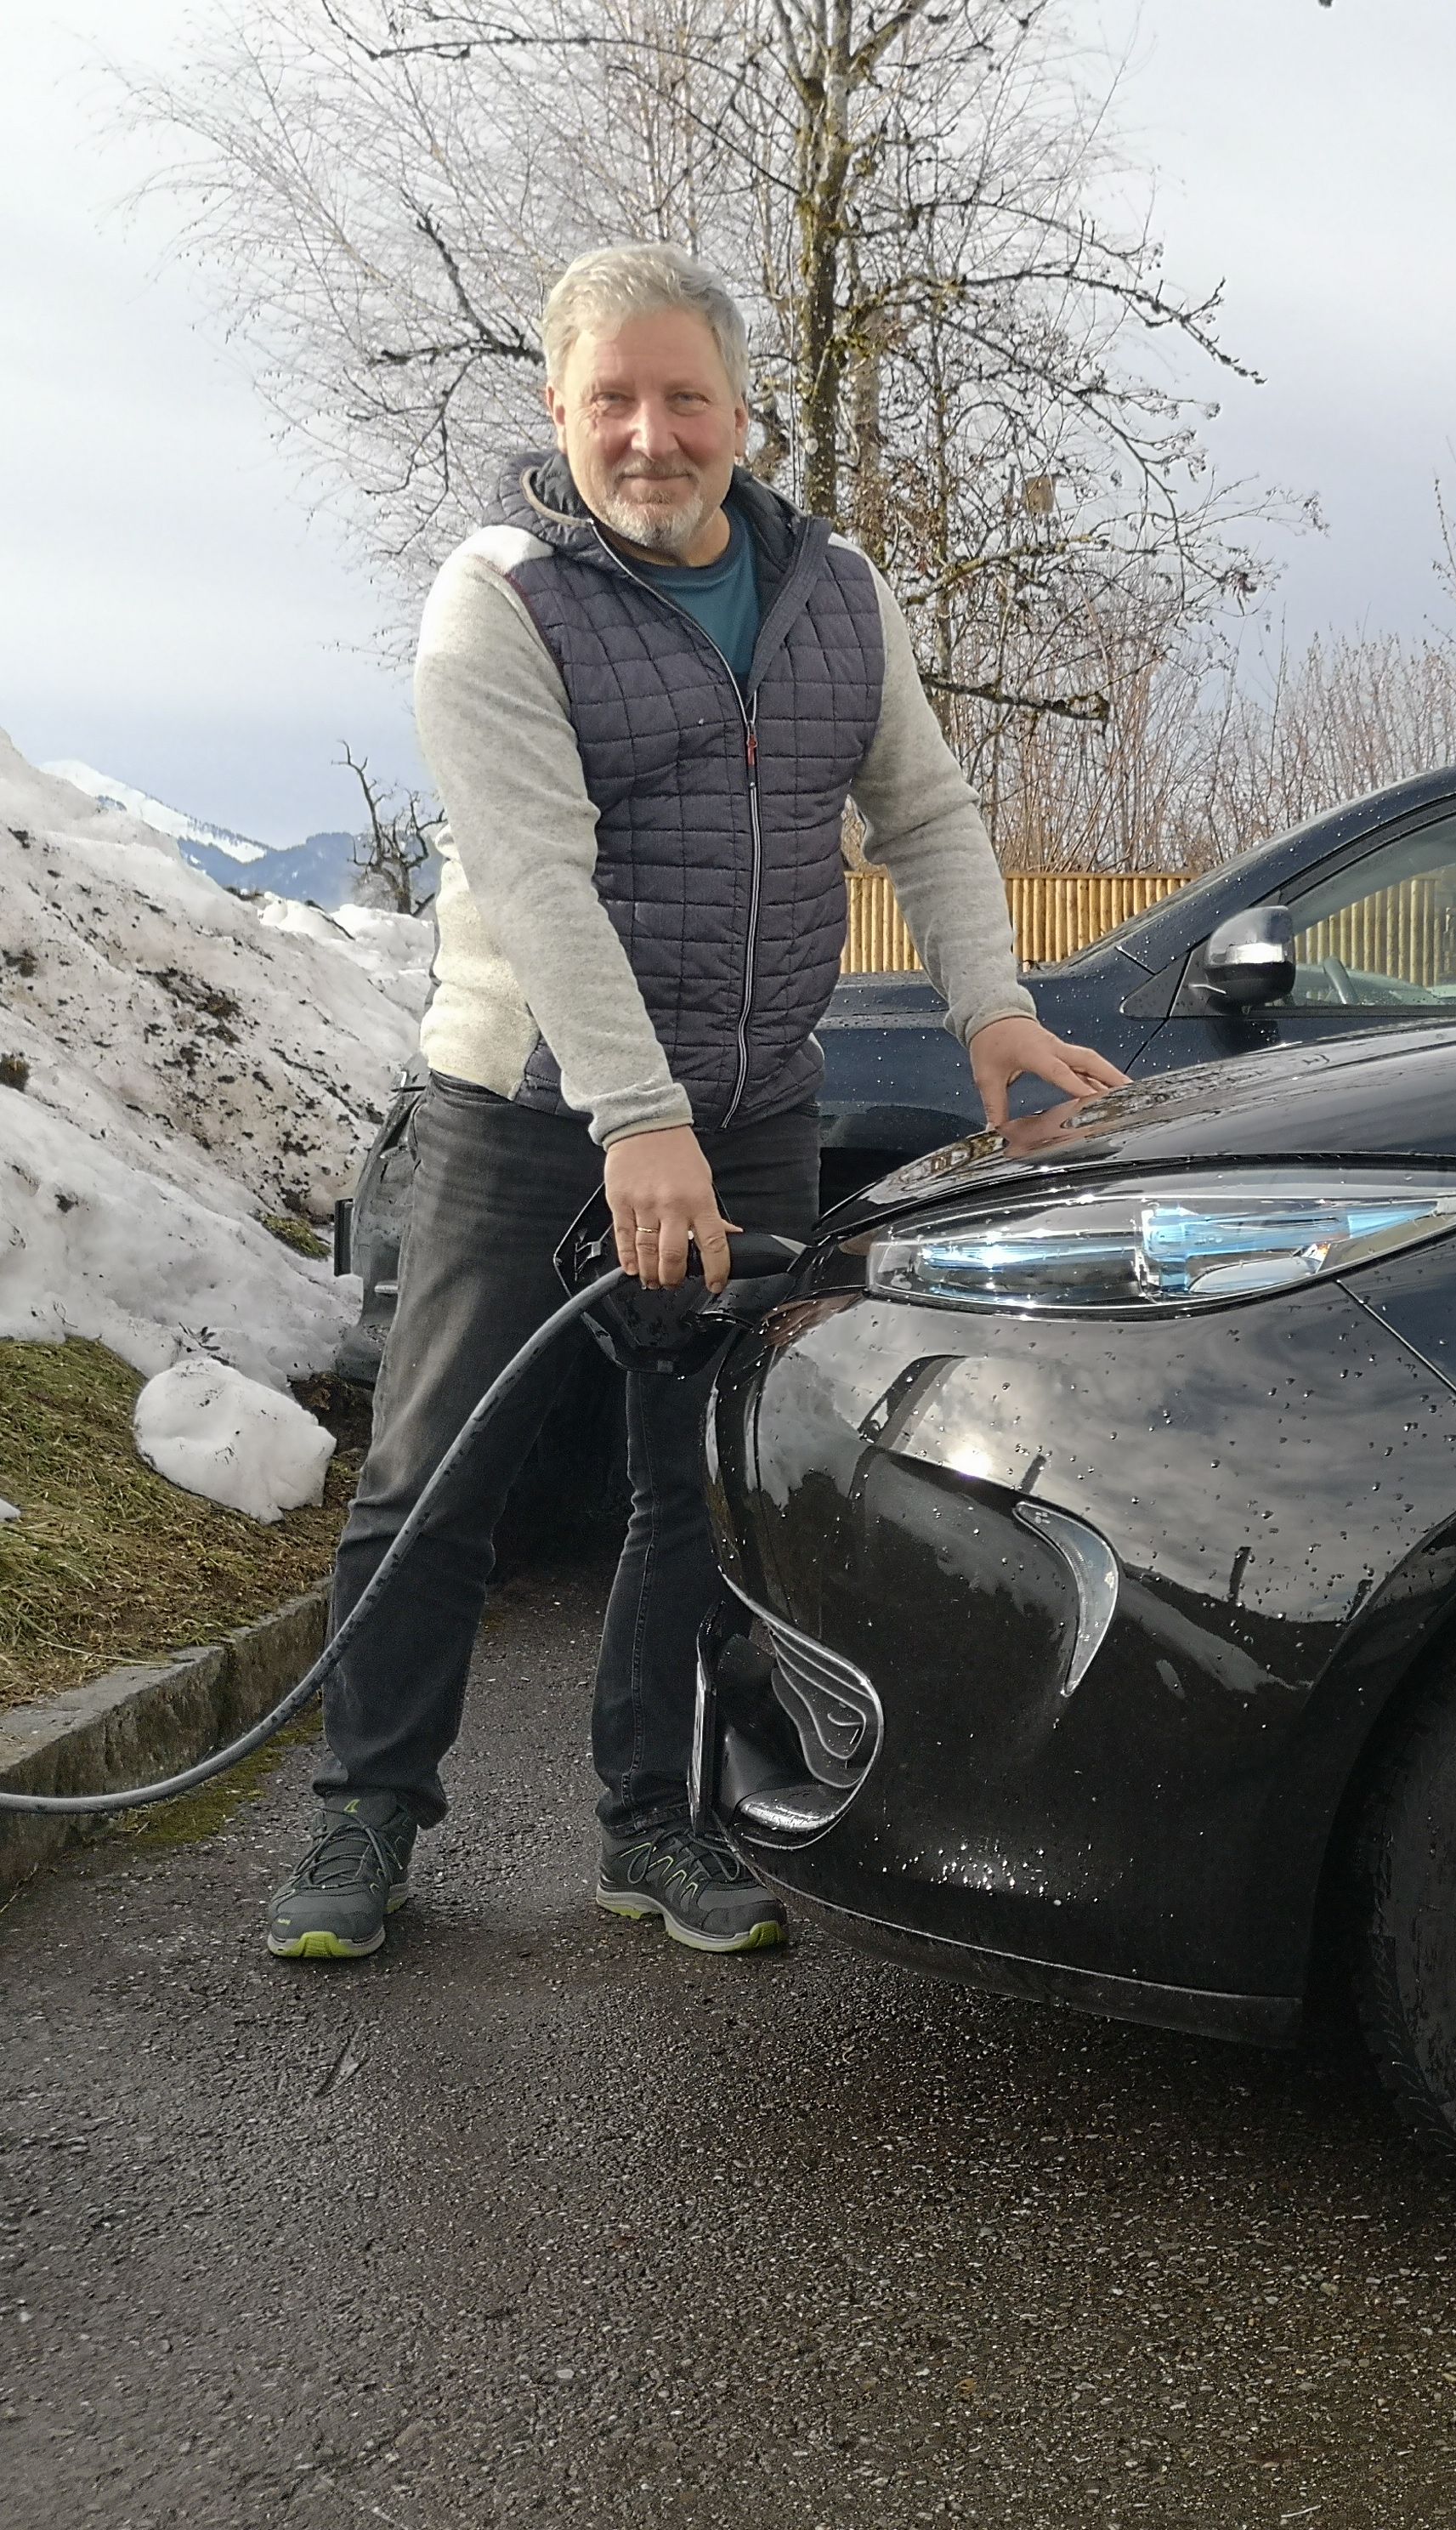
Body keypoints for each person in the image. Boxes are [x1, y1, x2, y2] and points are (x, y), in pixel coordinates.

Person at [266, 242, 1125, 1962]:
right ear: (558, 408)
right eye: (613, 400)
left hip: (745, 1109)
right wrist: (632, 1116)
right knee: (439, 1468)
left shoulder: (836, 592)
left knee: (697, 1487)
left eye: (684, 399)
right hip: (525, 1104)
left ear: (741, 413)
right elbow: (537, 875)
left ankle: (652, 1821)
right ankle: (368, 1813)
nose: (649, 436)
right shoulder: (500, 598)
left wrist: (993, 1009)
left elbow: (927, 815)